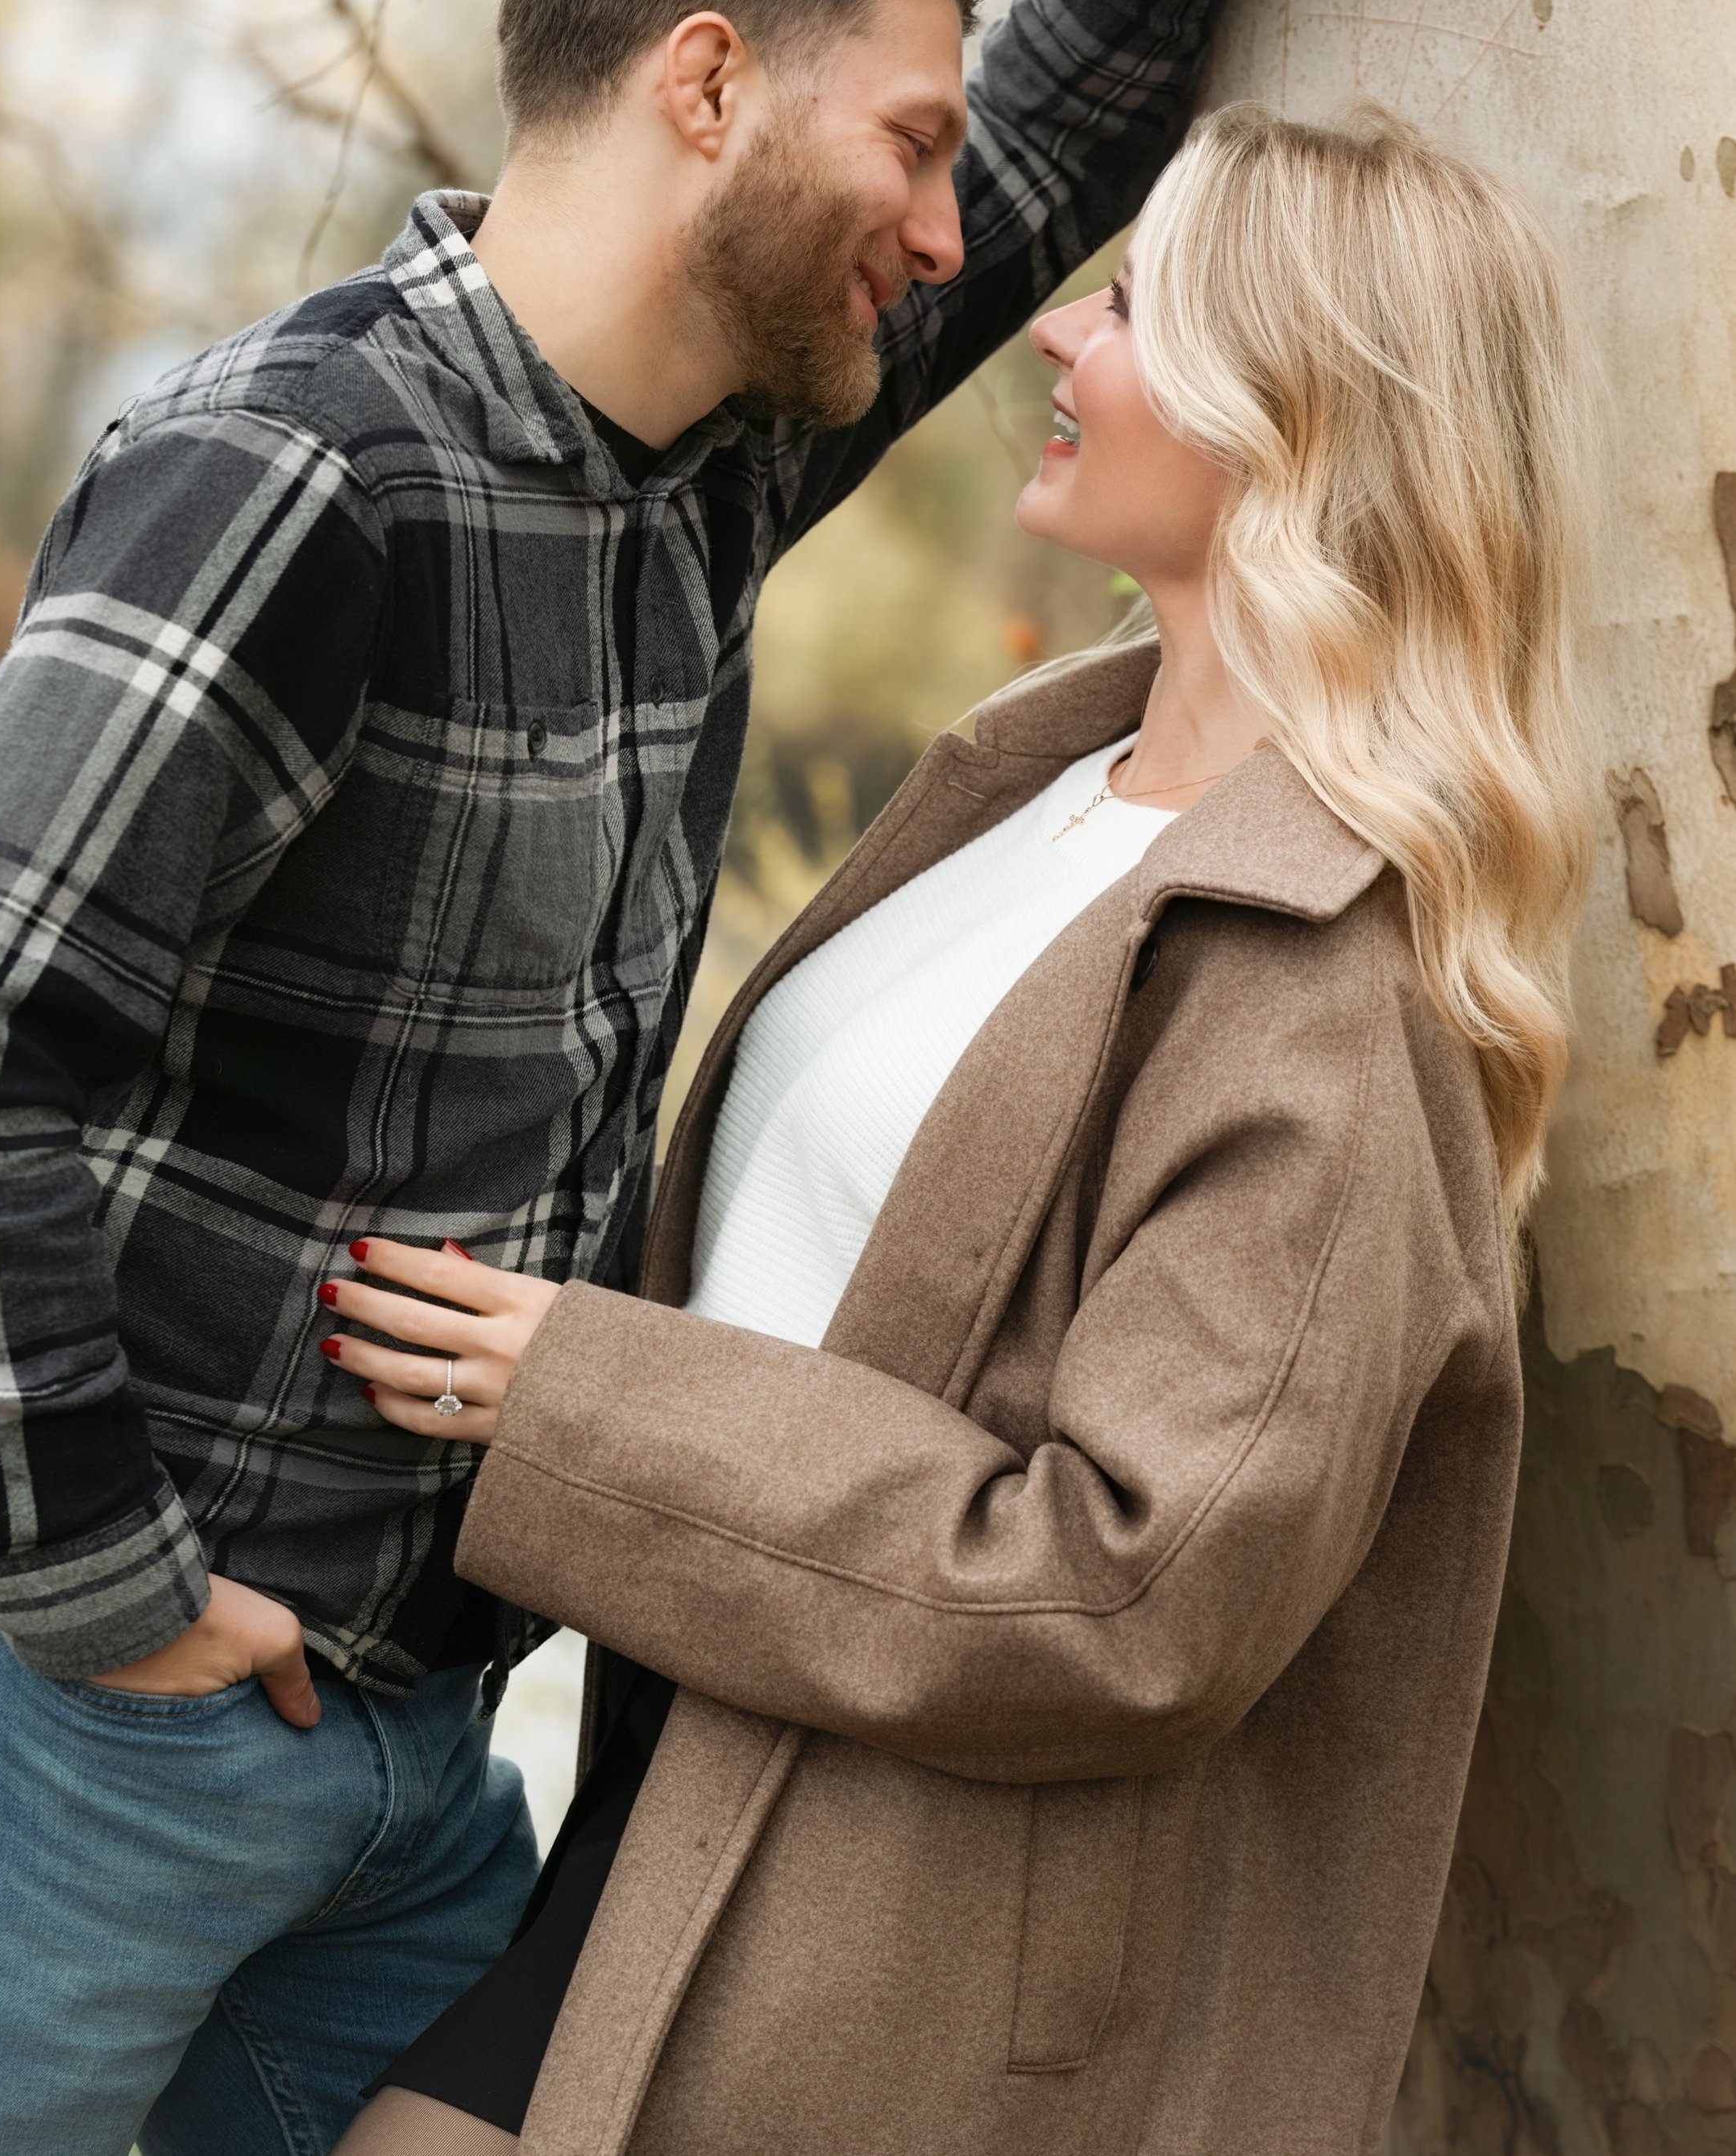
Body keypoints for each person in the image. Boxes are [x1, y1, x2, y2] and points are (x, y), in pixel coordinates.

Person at [0, 0, 1453, 2151]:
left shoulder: (688, 477)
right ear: (705, 85)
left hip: (394, 1737)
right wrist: (106, 1588)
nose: (948, 230)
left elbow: (1044, 182)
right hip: (55, 1695)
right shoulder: (298, 469)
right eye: (901, 141)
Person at [324, 103, 1595, 2156]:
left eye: (1134, 306)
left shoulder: (1322, 986)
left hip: (886, 1970)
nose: (1054, 337)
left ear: (1296, 412)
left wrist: (579, 1399)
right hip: (673, 1804)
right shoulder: (1027, 790)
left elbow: (1121, 1596)